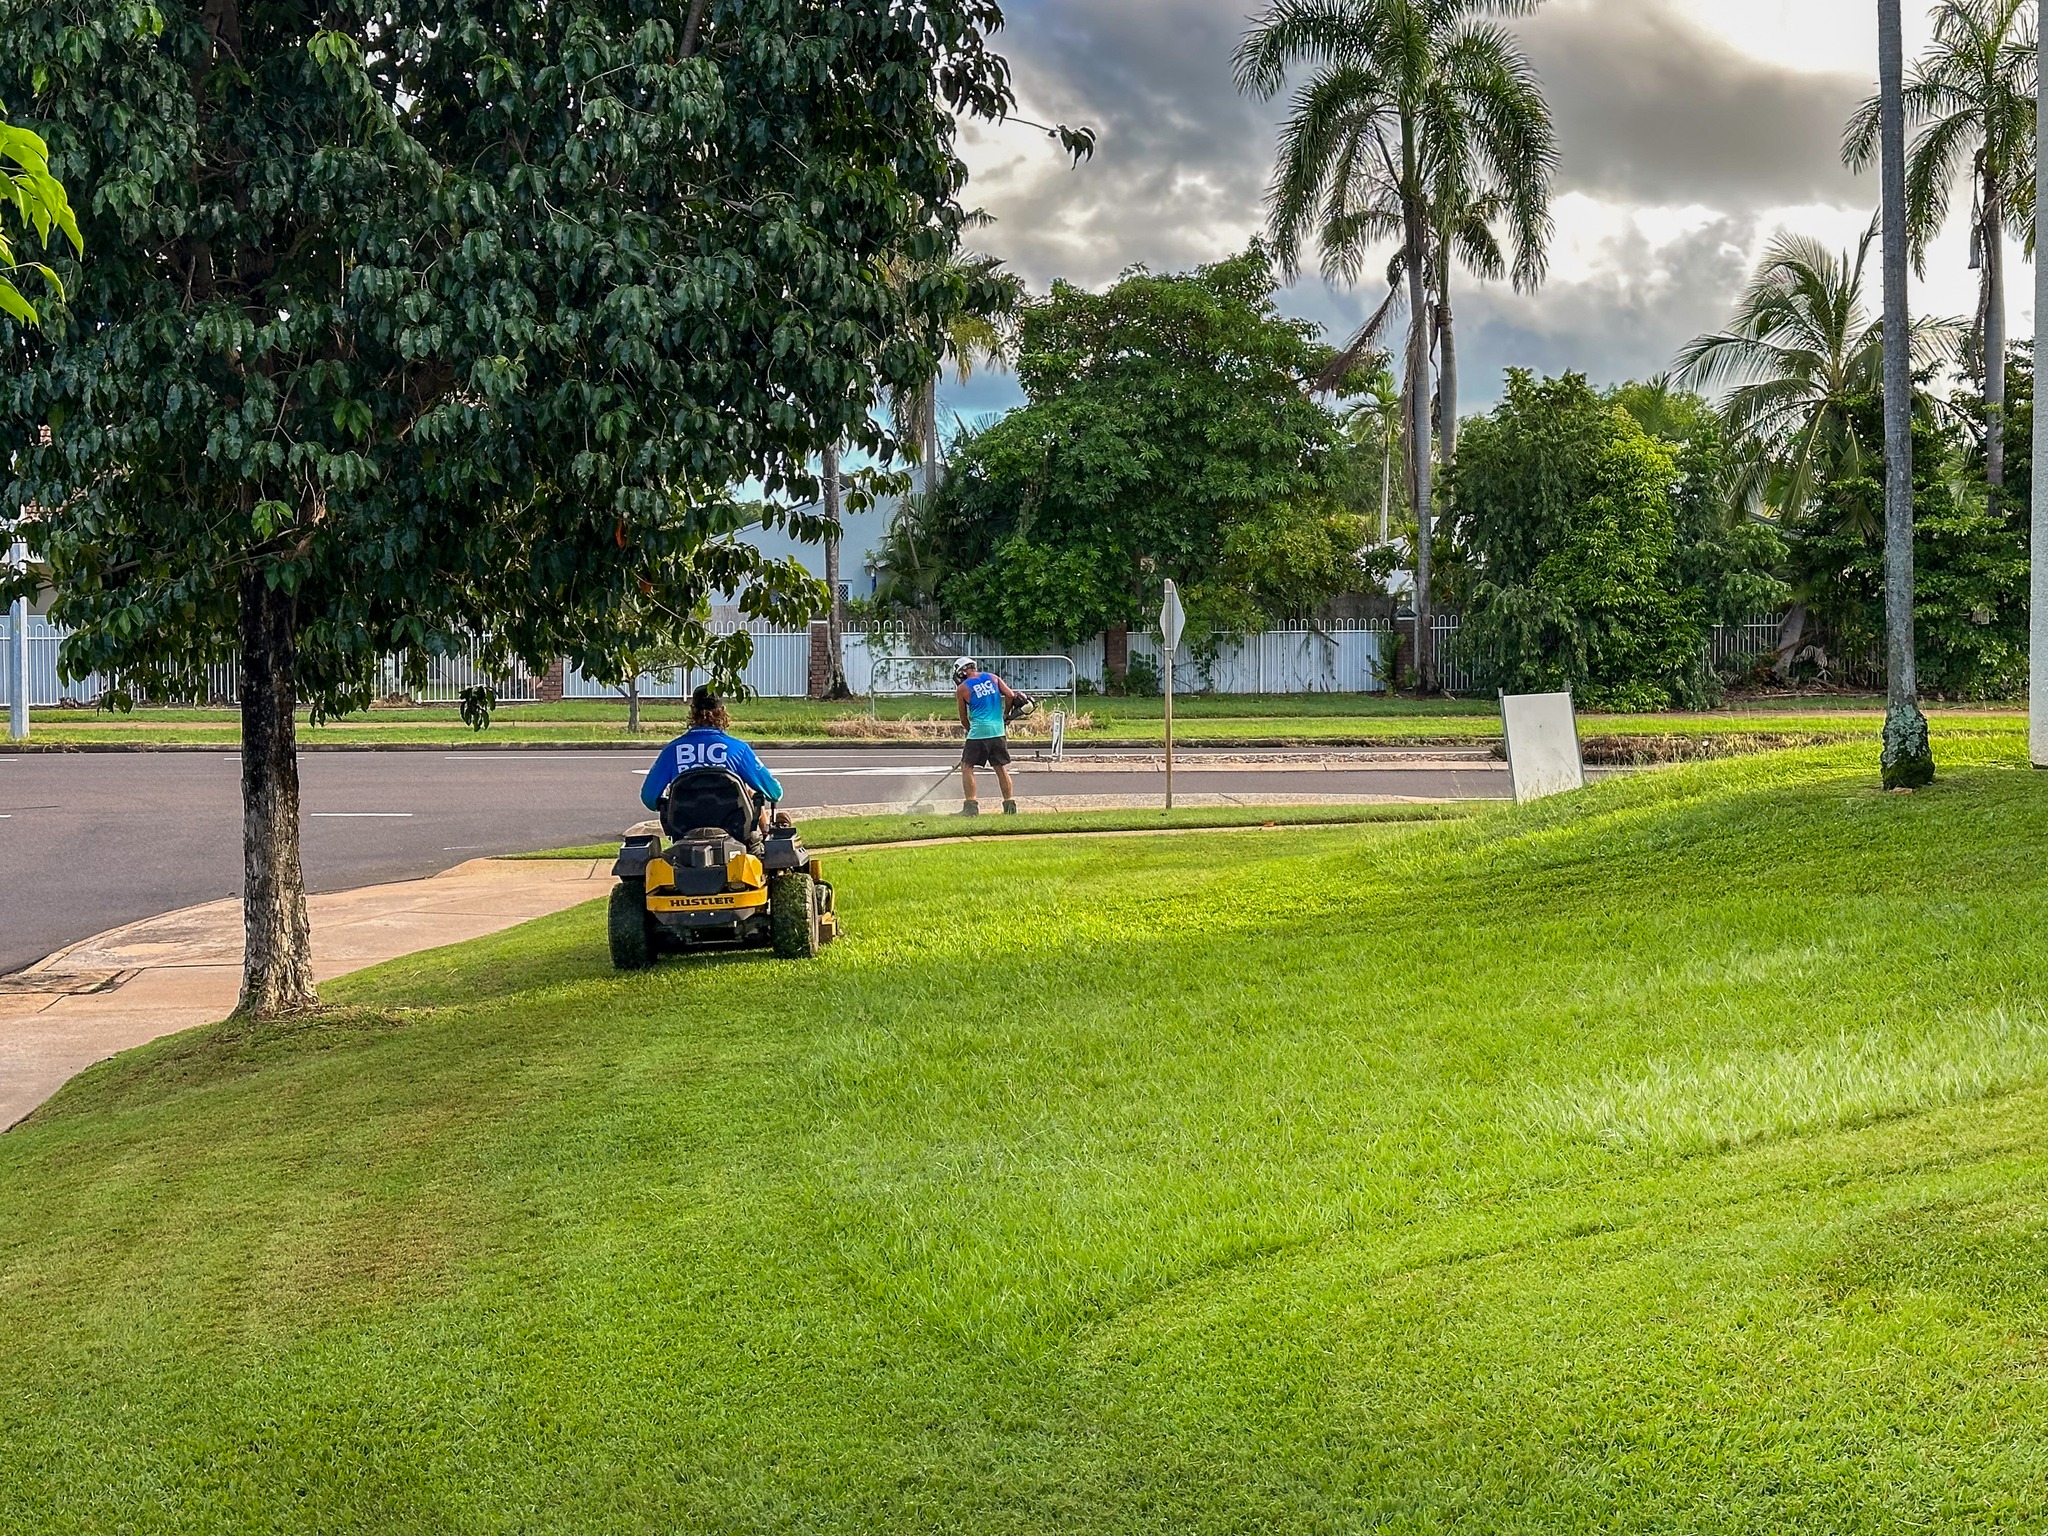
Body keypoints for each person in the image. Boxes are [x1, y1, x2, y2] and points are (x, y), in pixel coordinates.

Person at [641, 686, 784, 827]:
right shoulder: (738, 750)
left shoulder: (671, 751)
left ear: (693, 712)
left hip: (684, 831)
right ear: (721, 712)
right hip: (734, 830)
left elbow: (649, 798)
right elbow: (774, 793)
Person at [954, 657, 1020, 816]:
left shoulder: (962, 688)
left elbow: (964, 719)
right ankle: (1009, 806)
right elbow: (1010, 695)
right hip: (998, 731)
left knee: (967, 767)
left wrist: (971, 732)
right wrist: (1005, 714)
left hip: (978, 732)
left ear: (961, 672)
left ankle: (971, 807)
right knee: (1000, 768)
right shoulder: (993, 678)